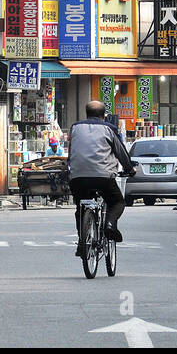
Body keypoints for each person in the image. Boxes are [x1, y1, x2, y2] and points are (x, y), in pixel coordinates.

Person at [68, 100, 138, 257]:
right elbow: (121, 153)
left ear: (86, 114)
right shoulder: (109, 128)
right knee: (118, 202)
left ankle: (82, 242)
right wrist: (130, 169)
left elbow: (71, 153)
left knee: (80, 208)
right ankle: (110, 224)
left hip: (78, 178)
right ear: (103, 115)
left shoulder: (75, 128)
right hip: (103, 178)